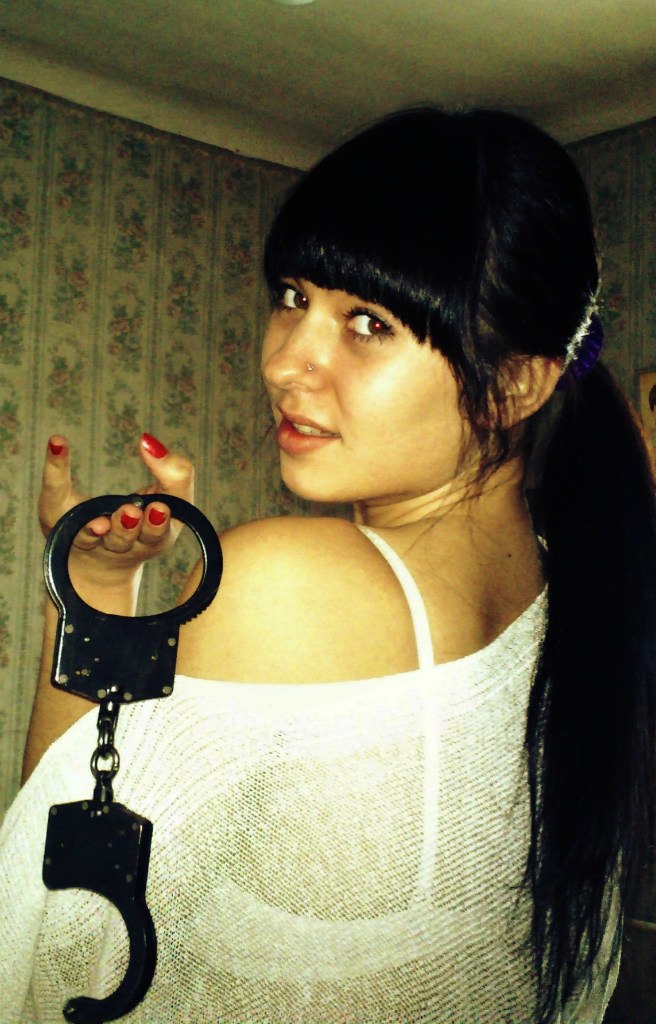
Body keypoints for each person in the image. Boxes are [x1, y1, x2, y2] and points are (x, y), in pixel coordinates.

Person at [1, 107, 655, 1024]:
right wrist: (102, 589)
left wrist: (79, 597)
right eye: (294, 297)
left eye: (368, 322)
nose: (285, 362)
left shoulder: (288, 582)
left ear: (515, 384)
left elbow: (60, 936)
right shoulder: (567, 592)